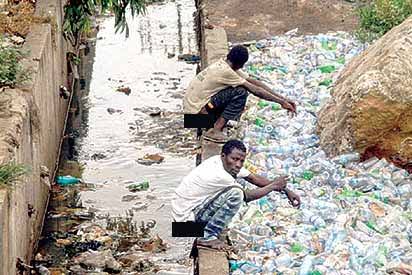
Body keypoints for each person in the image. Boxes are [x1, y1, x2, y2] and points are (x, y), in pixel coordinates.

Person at [171, 139, 301, 250]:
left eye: (241, 161)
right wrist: (273, 186)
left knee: (234, 192)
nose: (238, 164)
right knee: (236, 194)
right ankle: (207, 237)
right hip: (183, 227)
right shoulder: (218, 174)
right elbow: (247, 196)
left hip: (184, 219)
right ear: (223, 156)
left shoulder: (221, 162)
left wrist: (285, 190)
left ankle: (207, 232)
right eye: (234, 159)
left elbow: (253, 178)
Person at [183, 45, 297, 142]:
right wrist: (281, 102)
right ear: (241, 64)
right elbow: (256, 90)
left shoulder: (225, 64)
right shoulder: (226, 72)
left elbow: (254, 82)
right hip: (195, 120)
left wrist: (283, 99)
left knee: (235, 89)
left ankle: (214, 124)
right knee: (240, 92)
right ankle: (215, 130)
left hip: (191, 117)